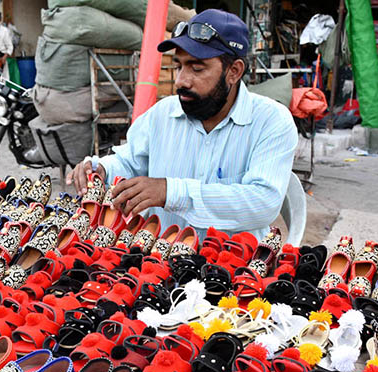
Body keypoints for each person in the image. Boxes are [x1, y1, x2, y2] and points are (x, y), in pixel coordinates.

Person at [66, 9, 298, 241]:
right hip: (157, 262)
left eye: (197, 69)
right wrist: (102, 168)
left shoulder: (271, 122)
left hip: (234, 266)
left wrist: (171, 192)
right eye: (179, 66)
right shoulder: (162, 114)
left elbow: (263, 202)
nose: (181, 81)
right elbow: (129, 161)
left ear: (234, 71)